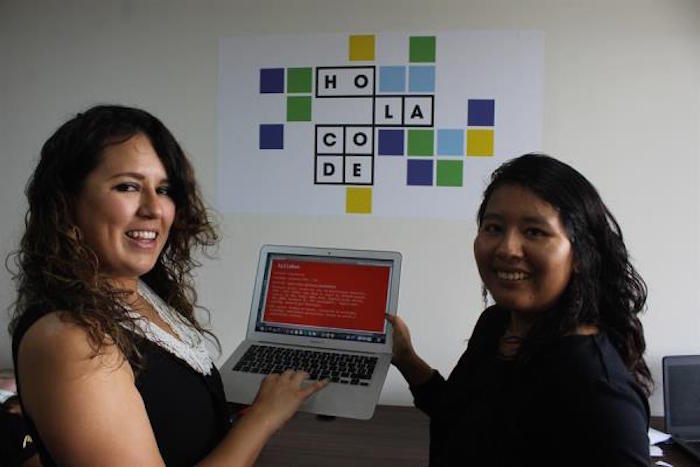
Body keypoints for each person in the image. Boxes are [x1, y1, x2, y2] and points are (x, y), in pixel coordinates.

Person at [8, 105, 327, 466]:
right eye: (127, 186)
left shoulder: (140, 292)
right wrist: (263, 418)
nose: (154, 209)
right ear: (66, 203)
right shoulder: (69, 339)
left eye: (163, 189)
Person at [387, 154, 652, 466]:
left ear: (580, 253)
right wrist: (407, 359)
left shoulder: (597, 385)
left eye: (534, 232)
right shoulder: (497, 323)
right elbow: (460, 416)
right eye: (494, 228)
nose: (506, 249)